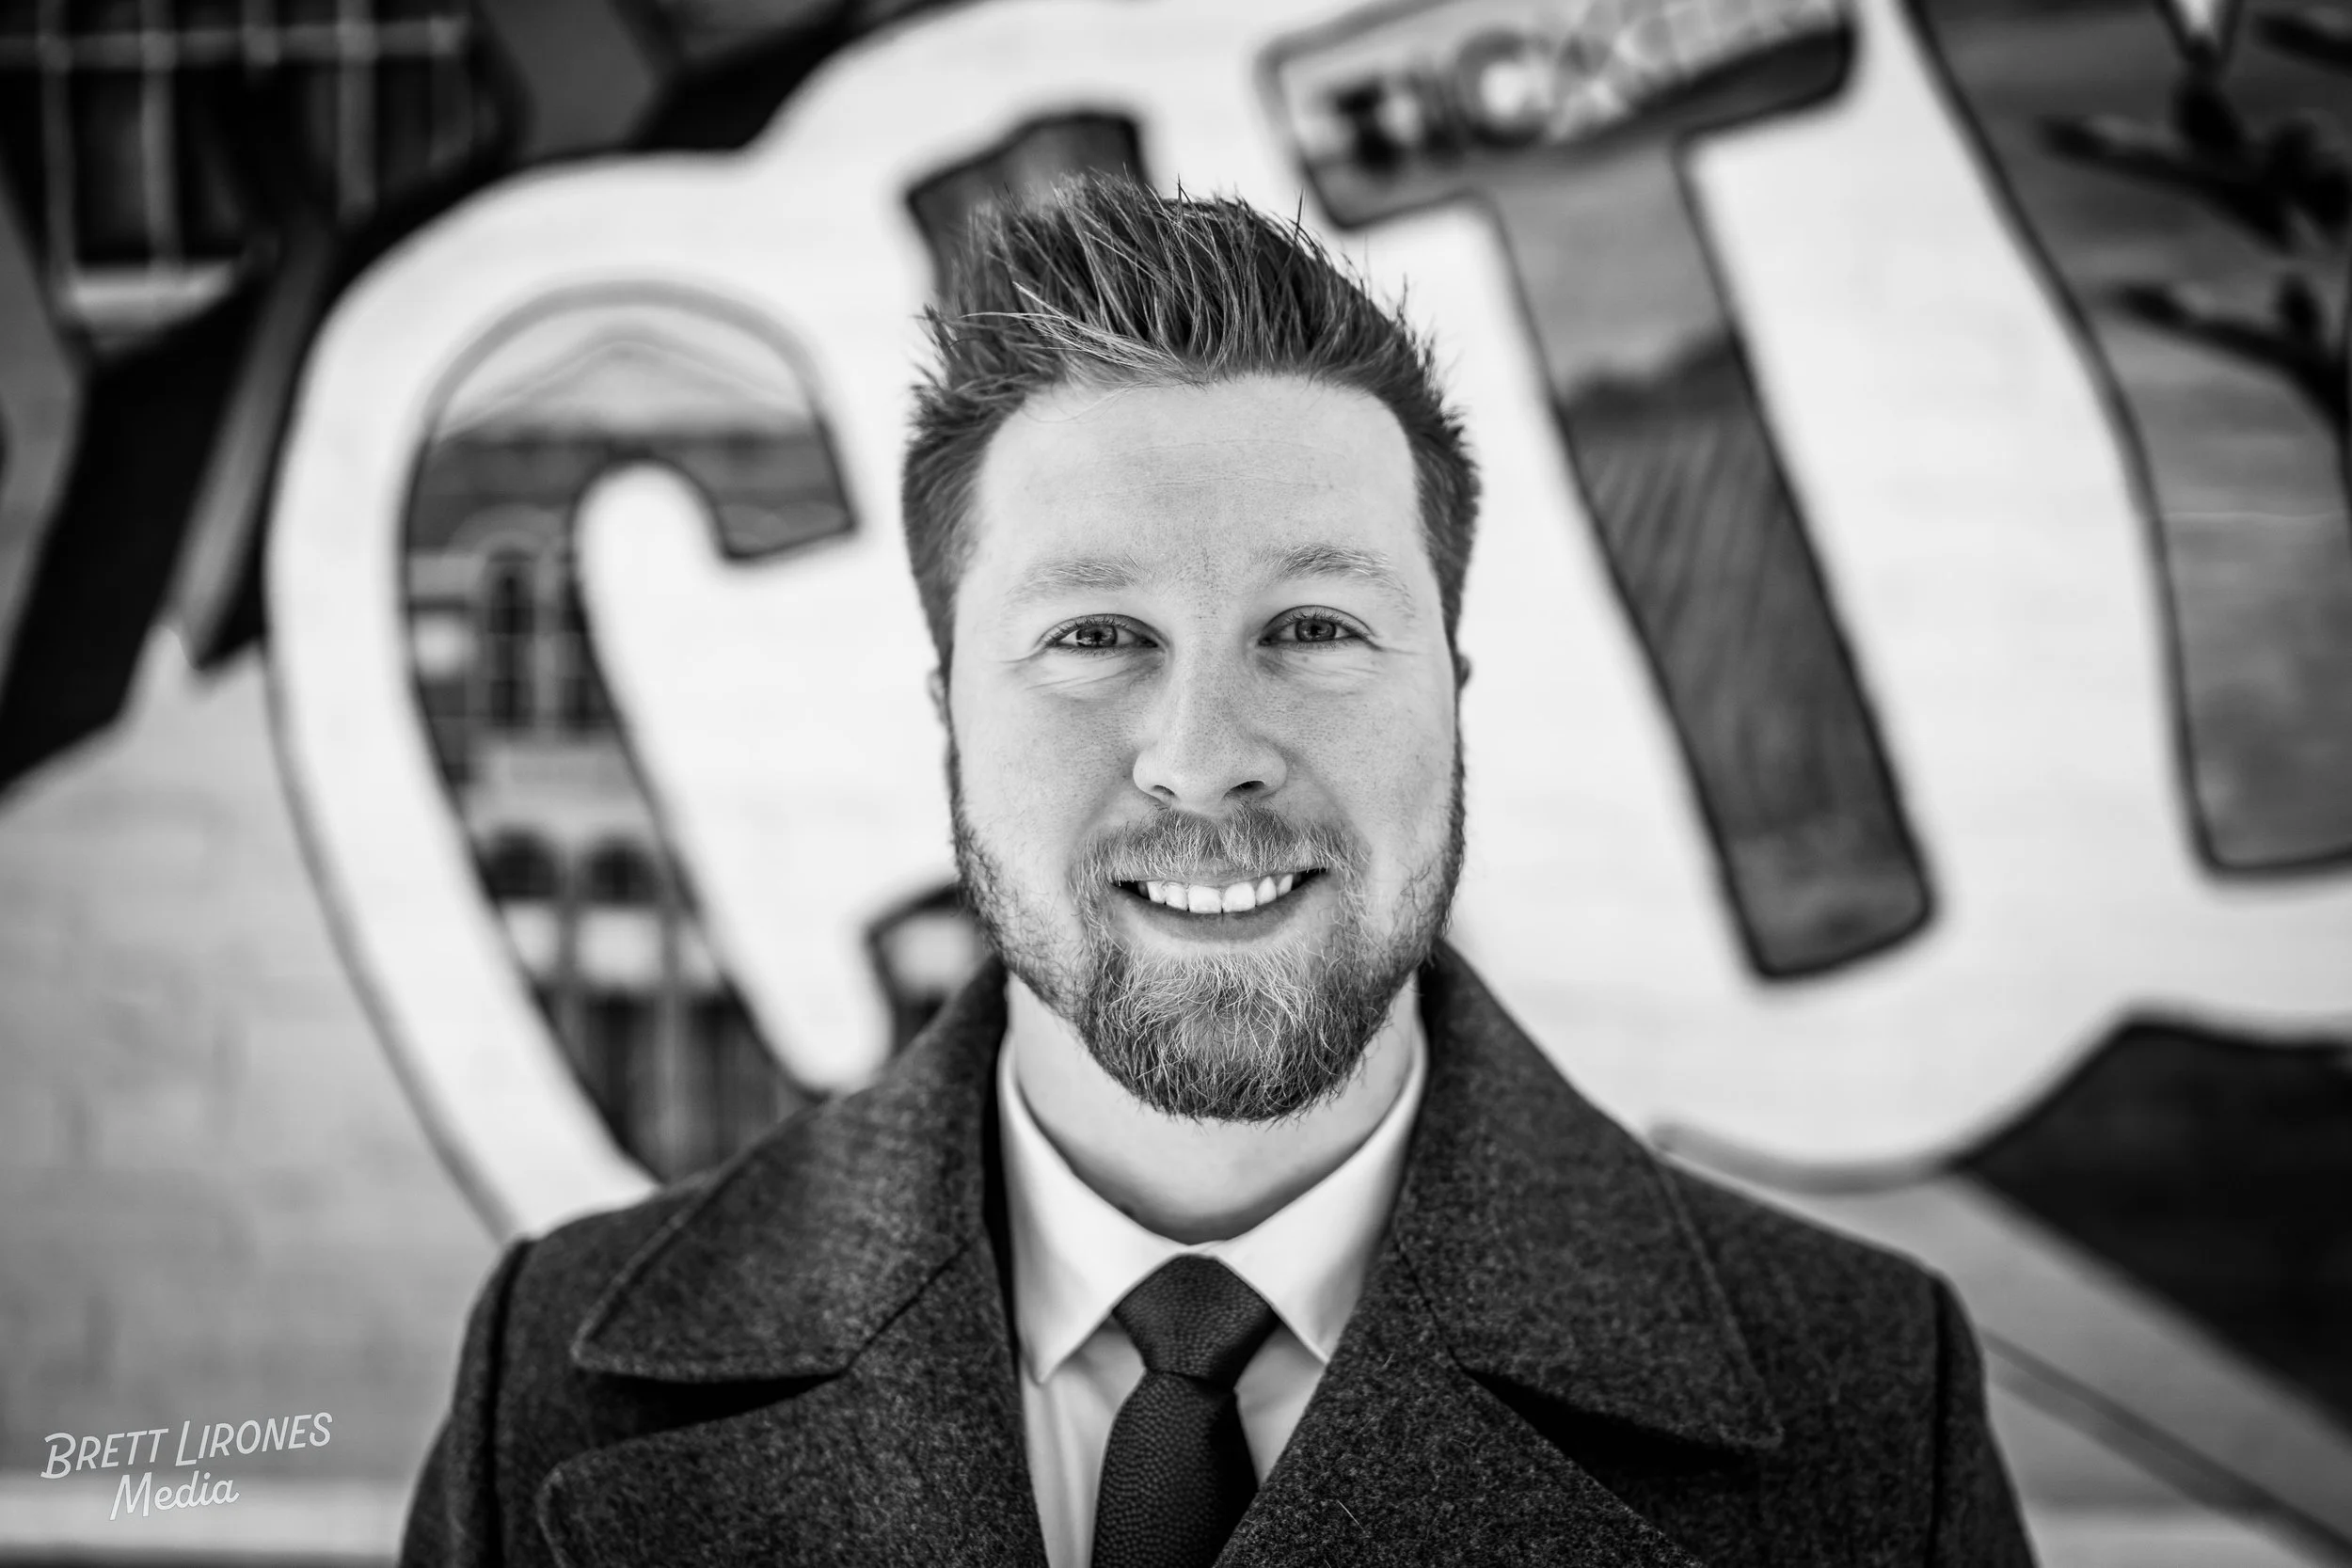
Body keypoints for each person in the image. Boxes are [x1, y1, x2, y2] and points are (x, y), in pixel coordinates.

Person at [401, 177, 2035, 1568]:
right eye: (1095, 635)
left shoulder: (1869, 1405)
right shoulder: (549, 1380)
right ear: (951, 716)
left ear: (1452, 694)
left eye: (1312, 627)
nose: (1202, 755)